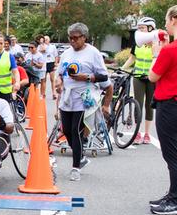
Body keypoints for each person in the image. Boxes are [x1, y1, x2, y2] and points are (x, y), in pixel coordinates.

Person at [54, 22, 112, 182]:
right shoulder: (66, 53)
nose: (72, 41)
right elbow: (59, 73)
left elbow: (104, 77)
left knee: (76, 131)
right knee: (66, 131)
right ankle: (80, 158)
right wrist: (58, 81)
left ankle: (75, 168)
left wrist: (86, 77)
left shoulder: (93, 53)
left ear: (84, 37)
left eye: (76, 38)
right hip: (67, 97)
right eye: (70, 38)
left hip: (84, 97)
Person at [148, 5, 177, 214]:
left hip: (170, 105)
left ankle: (174, 199)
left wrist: (156, 53)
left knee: (172, 154)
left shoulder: (169, 50)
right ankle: (173, 194)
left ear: (174, 19)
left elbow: (152, 76)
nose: (165, 24)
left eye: (167, 20)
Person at [122, 17, 159, 144]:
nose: (140, 30)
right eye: (139, 28)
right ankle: (137, 133)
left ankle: (147, 134)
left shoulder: (156, 43)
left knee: (149, 105)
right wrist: (122, 69)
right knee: (138, 104)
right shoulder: (137, 43)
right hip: (138, 77)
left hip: (151, 78)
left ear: (151, 28)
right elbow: (132, 59)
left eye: (142, 28)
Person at [40, 35, 59, 99]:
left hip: (51, 63)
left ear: (49, 40)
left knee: (52, 79)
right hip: (44, 63)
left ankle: (54, 93)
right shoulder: (41, 46)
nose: (45, 40)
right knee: (44, 80)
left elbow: (56, 56)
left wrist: (56, 63)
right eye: (44, 39)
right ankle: (43, 94)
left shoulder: (53, 47)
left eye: (46, 39)